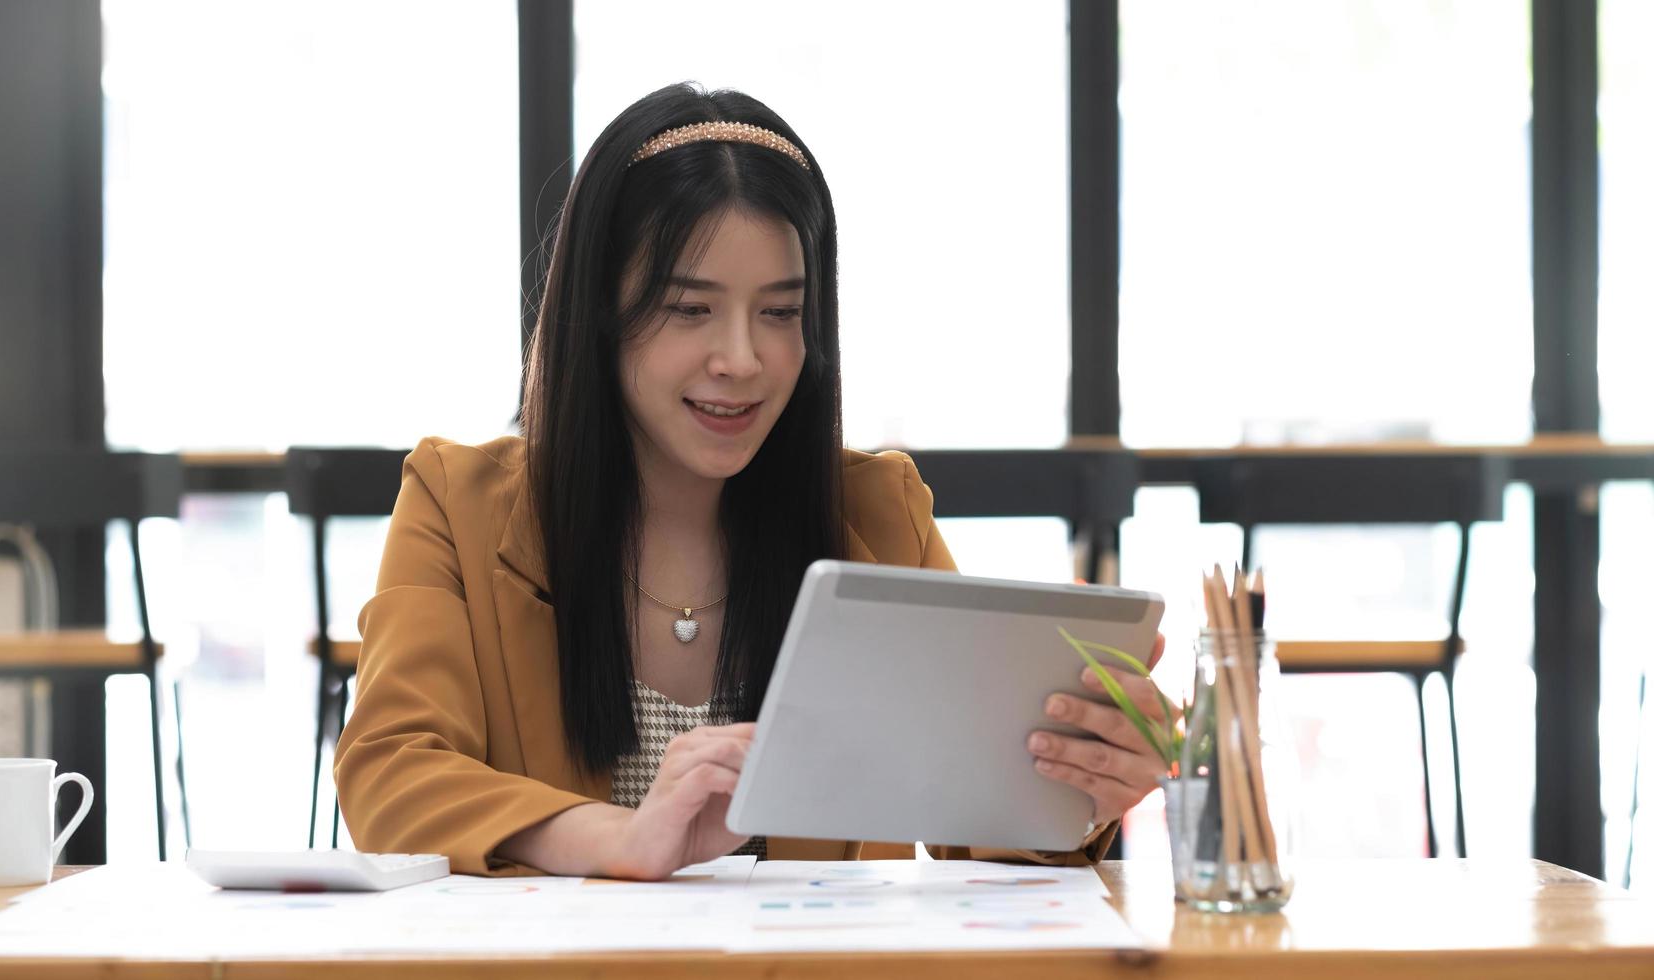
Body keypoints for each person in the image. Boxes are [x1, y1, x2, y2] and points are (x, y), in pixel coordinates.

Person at [335, 82, 1169, 879]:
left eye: (780, 313)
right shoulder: (457, 502)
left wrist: (1081, 781)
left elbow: (976, 821)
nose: (742, 360)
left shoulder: (877, 514)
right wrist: (624, 840)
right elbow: (389, 777)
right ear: (598, 312)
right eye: (689, 309)